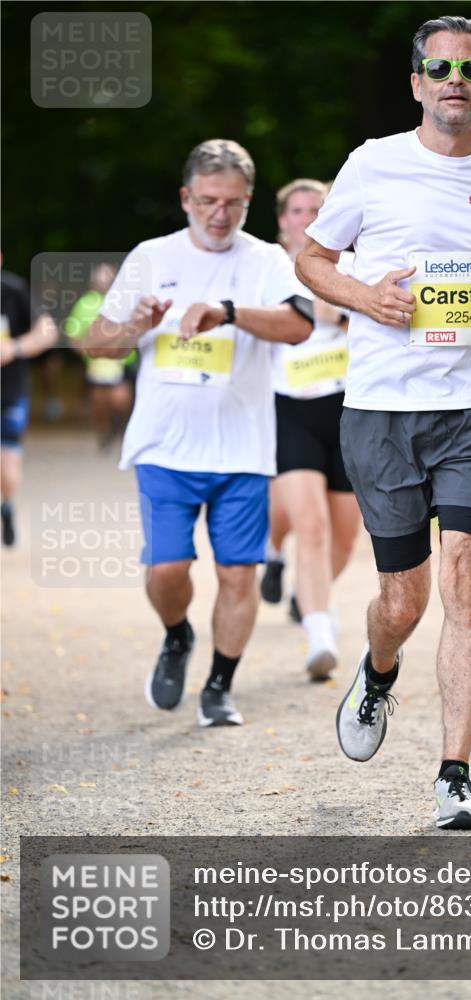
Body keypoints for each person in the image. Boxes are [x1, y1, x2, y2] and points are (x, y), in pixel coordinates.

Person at [296, 15, 471, 830]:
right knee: (401, 601)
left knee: (464, 581)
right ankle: (377, 669)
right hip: (383, 409)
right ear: (416, 82)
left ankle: (454, 777)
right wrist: (367, 297)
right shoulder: (372, 163)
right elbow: (311, 260)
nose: (453, 80)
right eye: (438, 67)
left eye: (469, 70)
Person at [85, 139, 313, 727]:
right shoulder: (152, 256)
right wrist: (136, 322)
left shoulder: (264, 260)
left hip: (242, 448)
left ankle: (219, 686)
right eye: (209, 201)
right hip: (165, 445)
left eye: (233, 203)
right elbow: (97, 343)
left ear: (249, 202)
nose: (220, 214)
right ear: (186, 198)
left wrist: (229, 311)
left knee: (239, 572)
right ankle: (177, 634)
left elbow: (298, 324)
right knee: (167, 571)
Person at [260, 179, 362, 680]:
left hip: (348, 411)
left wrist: (343, 314)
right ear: (282, 220)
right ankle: (320, 632)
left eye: (316, 209)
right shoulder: (267, 267)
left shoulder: (355, 264)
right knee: (310, 524)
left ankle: (303, 587)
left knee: (345, 536)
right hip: (290, 409)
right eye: (296, 210)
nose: (305, 217)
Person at [1, 263, 58, 545]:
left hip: (8, 393)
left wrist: (15, 348)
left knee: (7, 470)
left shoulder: (13, 290)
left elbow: (48, 332)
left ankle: (7, 506)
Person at [65, 263, 135, 451]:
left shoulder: (125, 301)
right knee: (99, 402)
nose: (103, 282)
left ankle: (119, 428)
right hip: (97, 364)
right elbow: (73, 334)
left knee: (121, 399)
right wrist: (87, 351)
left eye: (107, 278)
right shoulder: (85, 303)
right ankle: (104, 432)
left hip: (122, 363)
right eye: (100, 278)